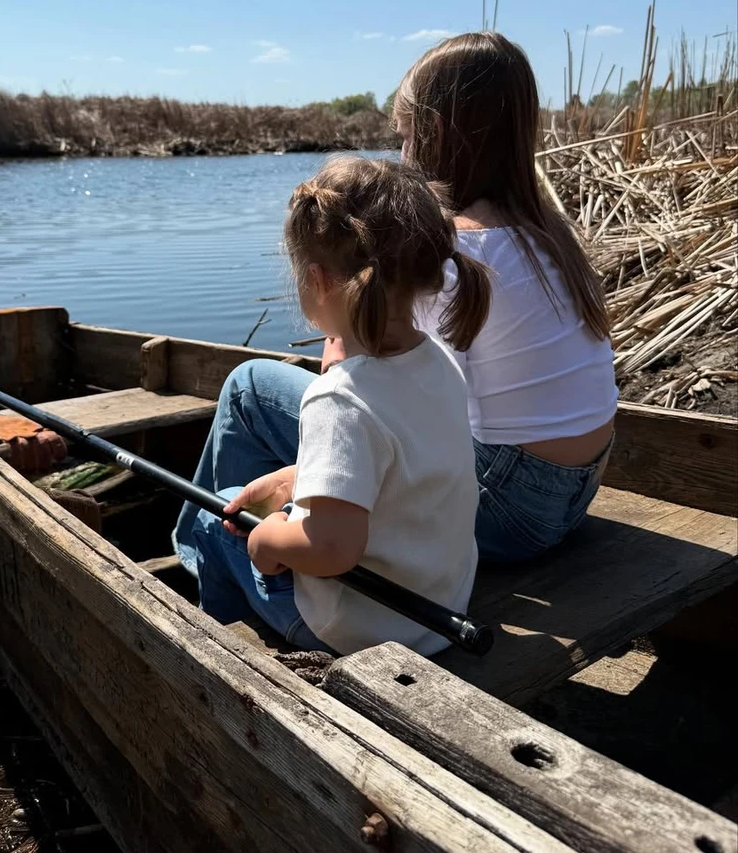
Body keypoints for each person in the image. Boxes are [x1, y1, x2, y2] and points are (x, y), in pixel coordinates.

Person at [174, 31, 618, 568]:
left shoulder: (454, 247)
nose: (403, 152)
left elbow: (393, 398)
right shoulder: (549, 233)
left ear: (431, 133)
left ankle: (212, 555)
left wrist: (321, 453)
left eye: (405, 136)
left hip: (504, 508)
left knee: (249, 388)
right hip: (575, 492)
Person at [189, 156, 488, 655]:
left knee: (211, 521)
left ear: (319, 280)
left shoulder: (337, 398)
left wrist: (266, 542)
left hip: (363, 633)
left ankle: (218, 651)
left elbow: (331, 548)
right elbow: (401, 474)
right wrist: (296, 478)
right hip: (440, 606)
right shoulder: (438, 361)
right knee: (255, 508)